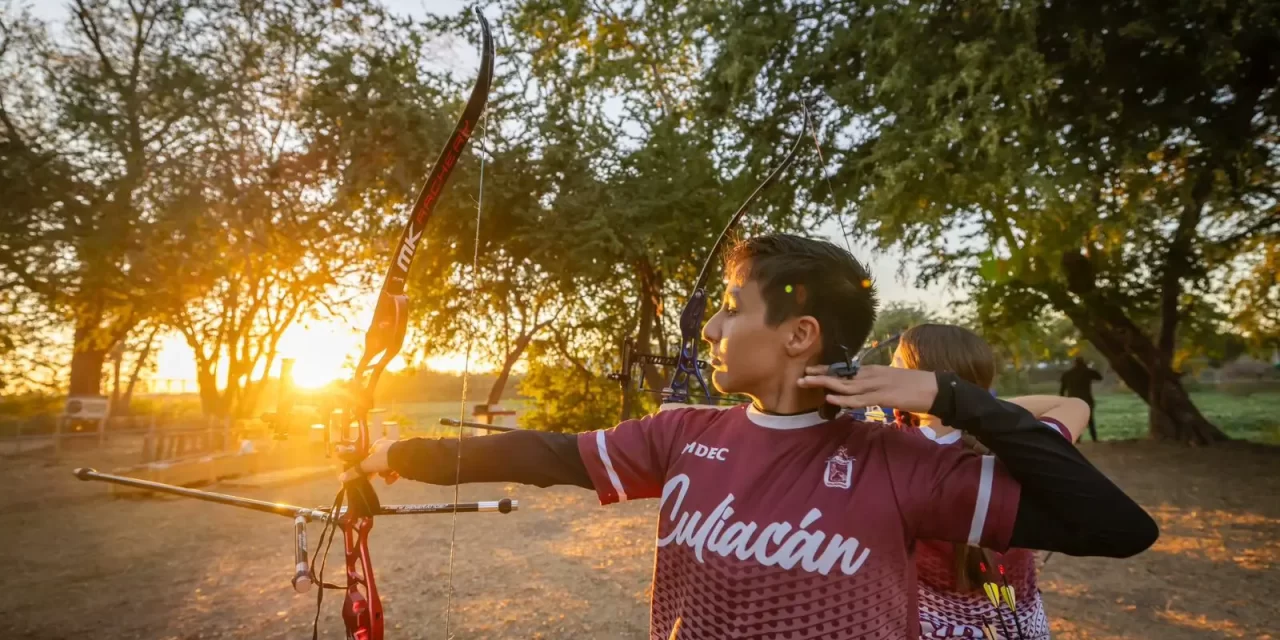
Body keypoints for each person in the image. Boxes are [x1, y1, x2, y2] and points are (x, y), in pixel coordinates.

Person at [342, 234, 1158, 639]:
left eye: (733, 307)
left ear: (800, 335)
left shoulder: (898, 462)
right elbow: (549, 454)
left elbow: (1119, 530)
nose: (714, 326)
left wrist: (952, 397)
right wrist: (398, 454)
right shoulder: (682, 437)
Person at [889, 324, 1089, 639]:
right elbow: (1074, 406)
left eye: (896, 365)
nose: (885, 373)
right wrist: (974, 405)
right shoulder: (1020, 448)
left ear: (923, 381)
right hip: (1023, 630)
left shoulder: (891, 451)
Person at [1059, 357, 1104, 441]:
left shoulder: (1068, 374)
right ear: (1084, 363)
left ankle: (1077, 439)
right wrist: (1087, 368)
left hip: (1073, 400)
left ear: (1074, 363)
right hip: (1086, 399)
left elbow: (1062, 390)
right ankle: (1094, 438)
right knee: (1090, 419)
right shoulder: (1087, 372)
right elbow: (1099, 377)